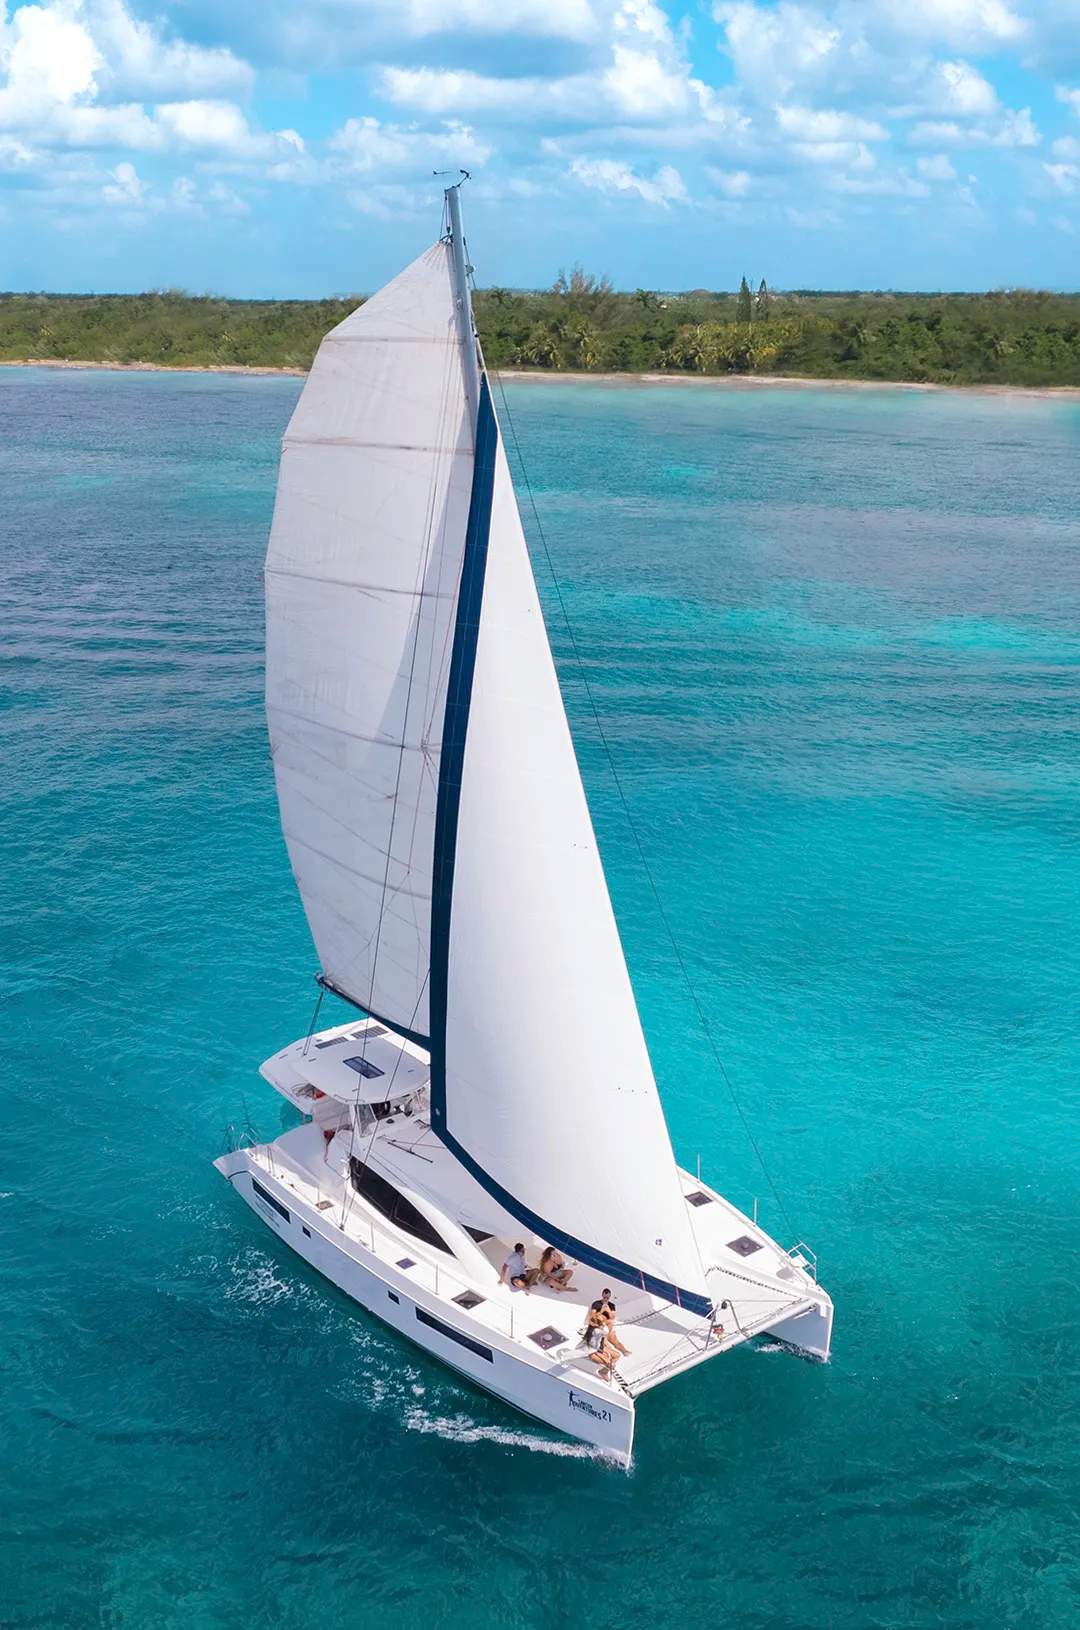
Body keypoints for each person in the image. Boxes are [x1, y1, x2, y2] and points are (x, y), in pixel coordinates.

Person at [590, 1288, 631, 1356]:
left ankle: (624, 1351)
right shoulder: (596, 1303)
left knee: (615, 1340)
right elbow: (592, 1316)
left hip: (608, 1327)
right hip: (600, 1325)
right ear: (602, 1295)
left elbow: (612, 1317)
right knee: (605, 1339)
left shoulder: (611, 1305)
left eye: (607, 1298)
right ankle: (611, 1352)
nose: (606, 1299)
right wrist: (601, 1311)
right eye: (604, 1297)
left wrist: (608, 1310)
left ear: (609, 1297)